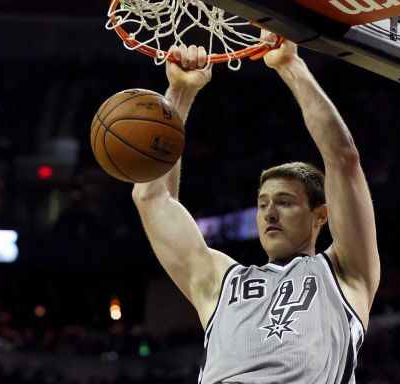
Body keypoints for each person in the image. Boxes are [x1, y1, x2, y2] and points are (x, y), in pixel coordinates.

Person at [132, 33, 380, 384]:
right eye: (263, 204)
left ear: (319, 216)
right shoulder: (221, 282)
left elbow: (343, 158)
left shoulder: (344, 273)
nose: (269, 214)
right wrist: (181, 95)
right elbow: (151, 197)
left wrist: (290, 66)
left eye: (285, 202)